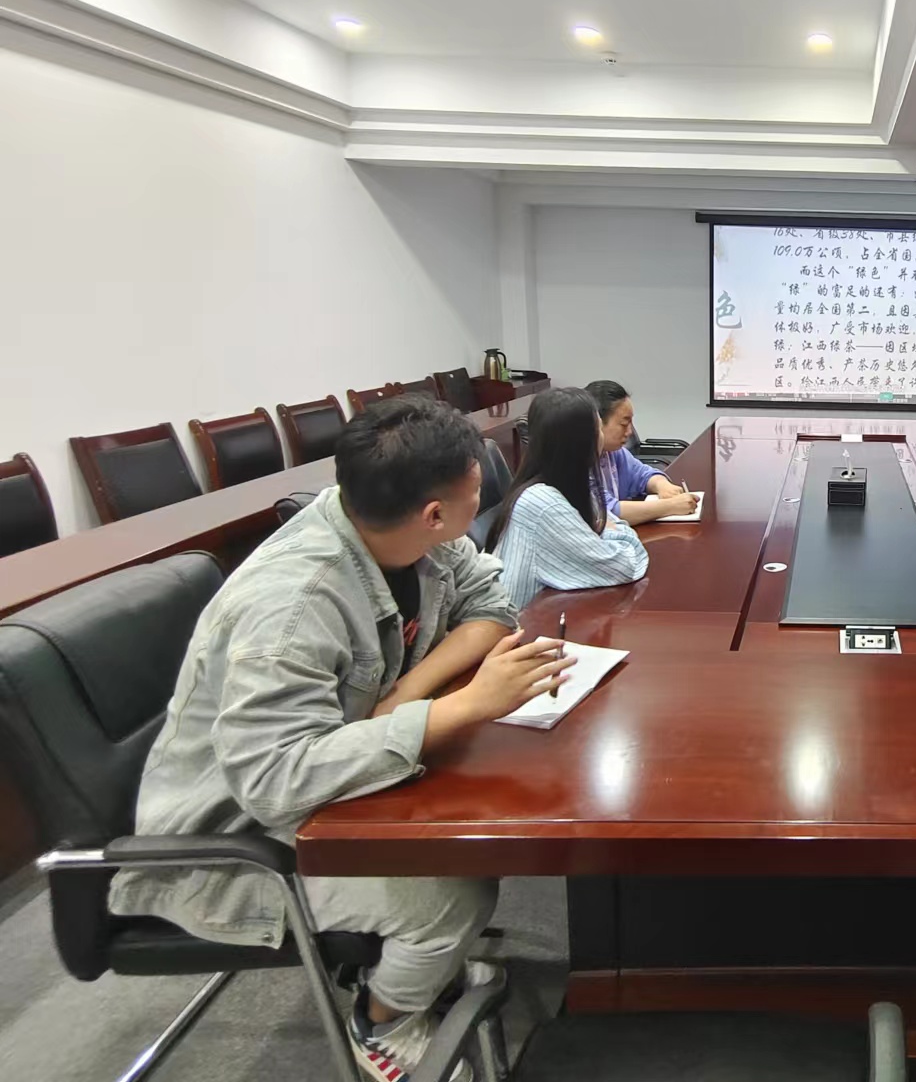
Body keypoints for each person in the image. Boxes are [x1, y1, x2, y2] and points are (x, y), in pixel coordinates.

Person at [109, 396, 575, 1082]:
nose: (482, 502)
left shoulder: (408, 531)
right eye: (475, 491)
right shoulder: (293, 606)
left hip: (327, 787)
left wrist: (407, 693)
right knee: (452, 894)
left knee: (476, 823)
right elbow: (276, 783)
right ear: (435, 513)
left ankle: (411, 965)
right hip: (235, 844)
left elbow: (491, 602)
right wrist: (468, 705)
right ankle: (383, 1020)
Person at [490, 387, 650, 606]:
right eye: (598, 428)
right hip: (523, 623)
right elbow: (624, 566)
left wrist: (607, 528)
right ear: (582, 442)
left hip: (549, 611)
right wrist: (616, 531)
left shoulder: (565, 486)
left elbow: (605, 526)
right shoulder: (543, 503)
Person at [585, 379, 698, 526]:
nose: (629, 431)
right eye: (624, 424)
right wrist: (670, 506)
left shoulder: (613, 452)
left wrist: (661, 485)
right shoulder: (578, 462)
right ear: (597, 424)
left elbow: (642, 474)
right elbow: (606, 512)